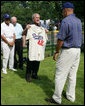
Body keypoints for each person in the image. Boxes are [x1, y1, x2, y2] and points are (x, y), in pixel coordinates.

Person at [45, 2, 83, 104]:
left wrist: (56, 51)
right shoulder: (79, 21)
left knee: (60, 74)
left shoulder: (65, 21)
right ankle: (71, 96)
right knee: (72, 75)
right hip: (77, 50)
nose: (63, 13)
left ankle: (56, 98)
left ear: (65, 10)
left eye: (63, 11)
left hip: (68, 50)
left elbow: (60, 40)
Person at [22, 13, 48, 82]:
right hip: (32, 47)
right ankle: (28, 76)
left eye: (39, 17)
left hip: (39, 47)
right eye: (36, 17)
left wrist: (45, 32)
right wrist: (26, 29)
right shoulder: (30, 27)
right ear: (33, 19)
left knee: (37, 61)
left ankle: (35, 74)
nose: (38, 19)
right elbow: (23, 34)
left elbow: (44, 38)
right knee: (30, 61)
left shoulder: (41, 27)